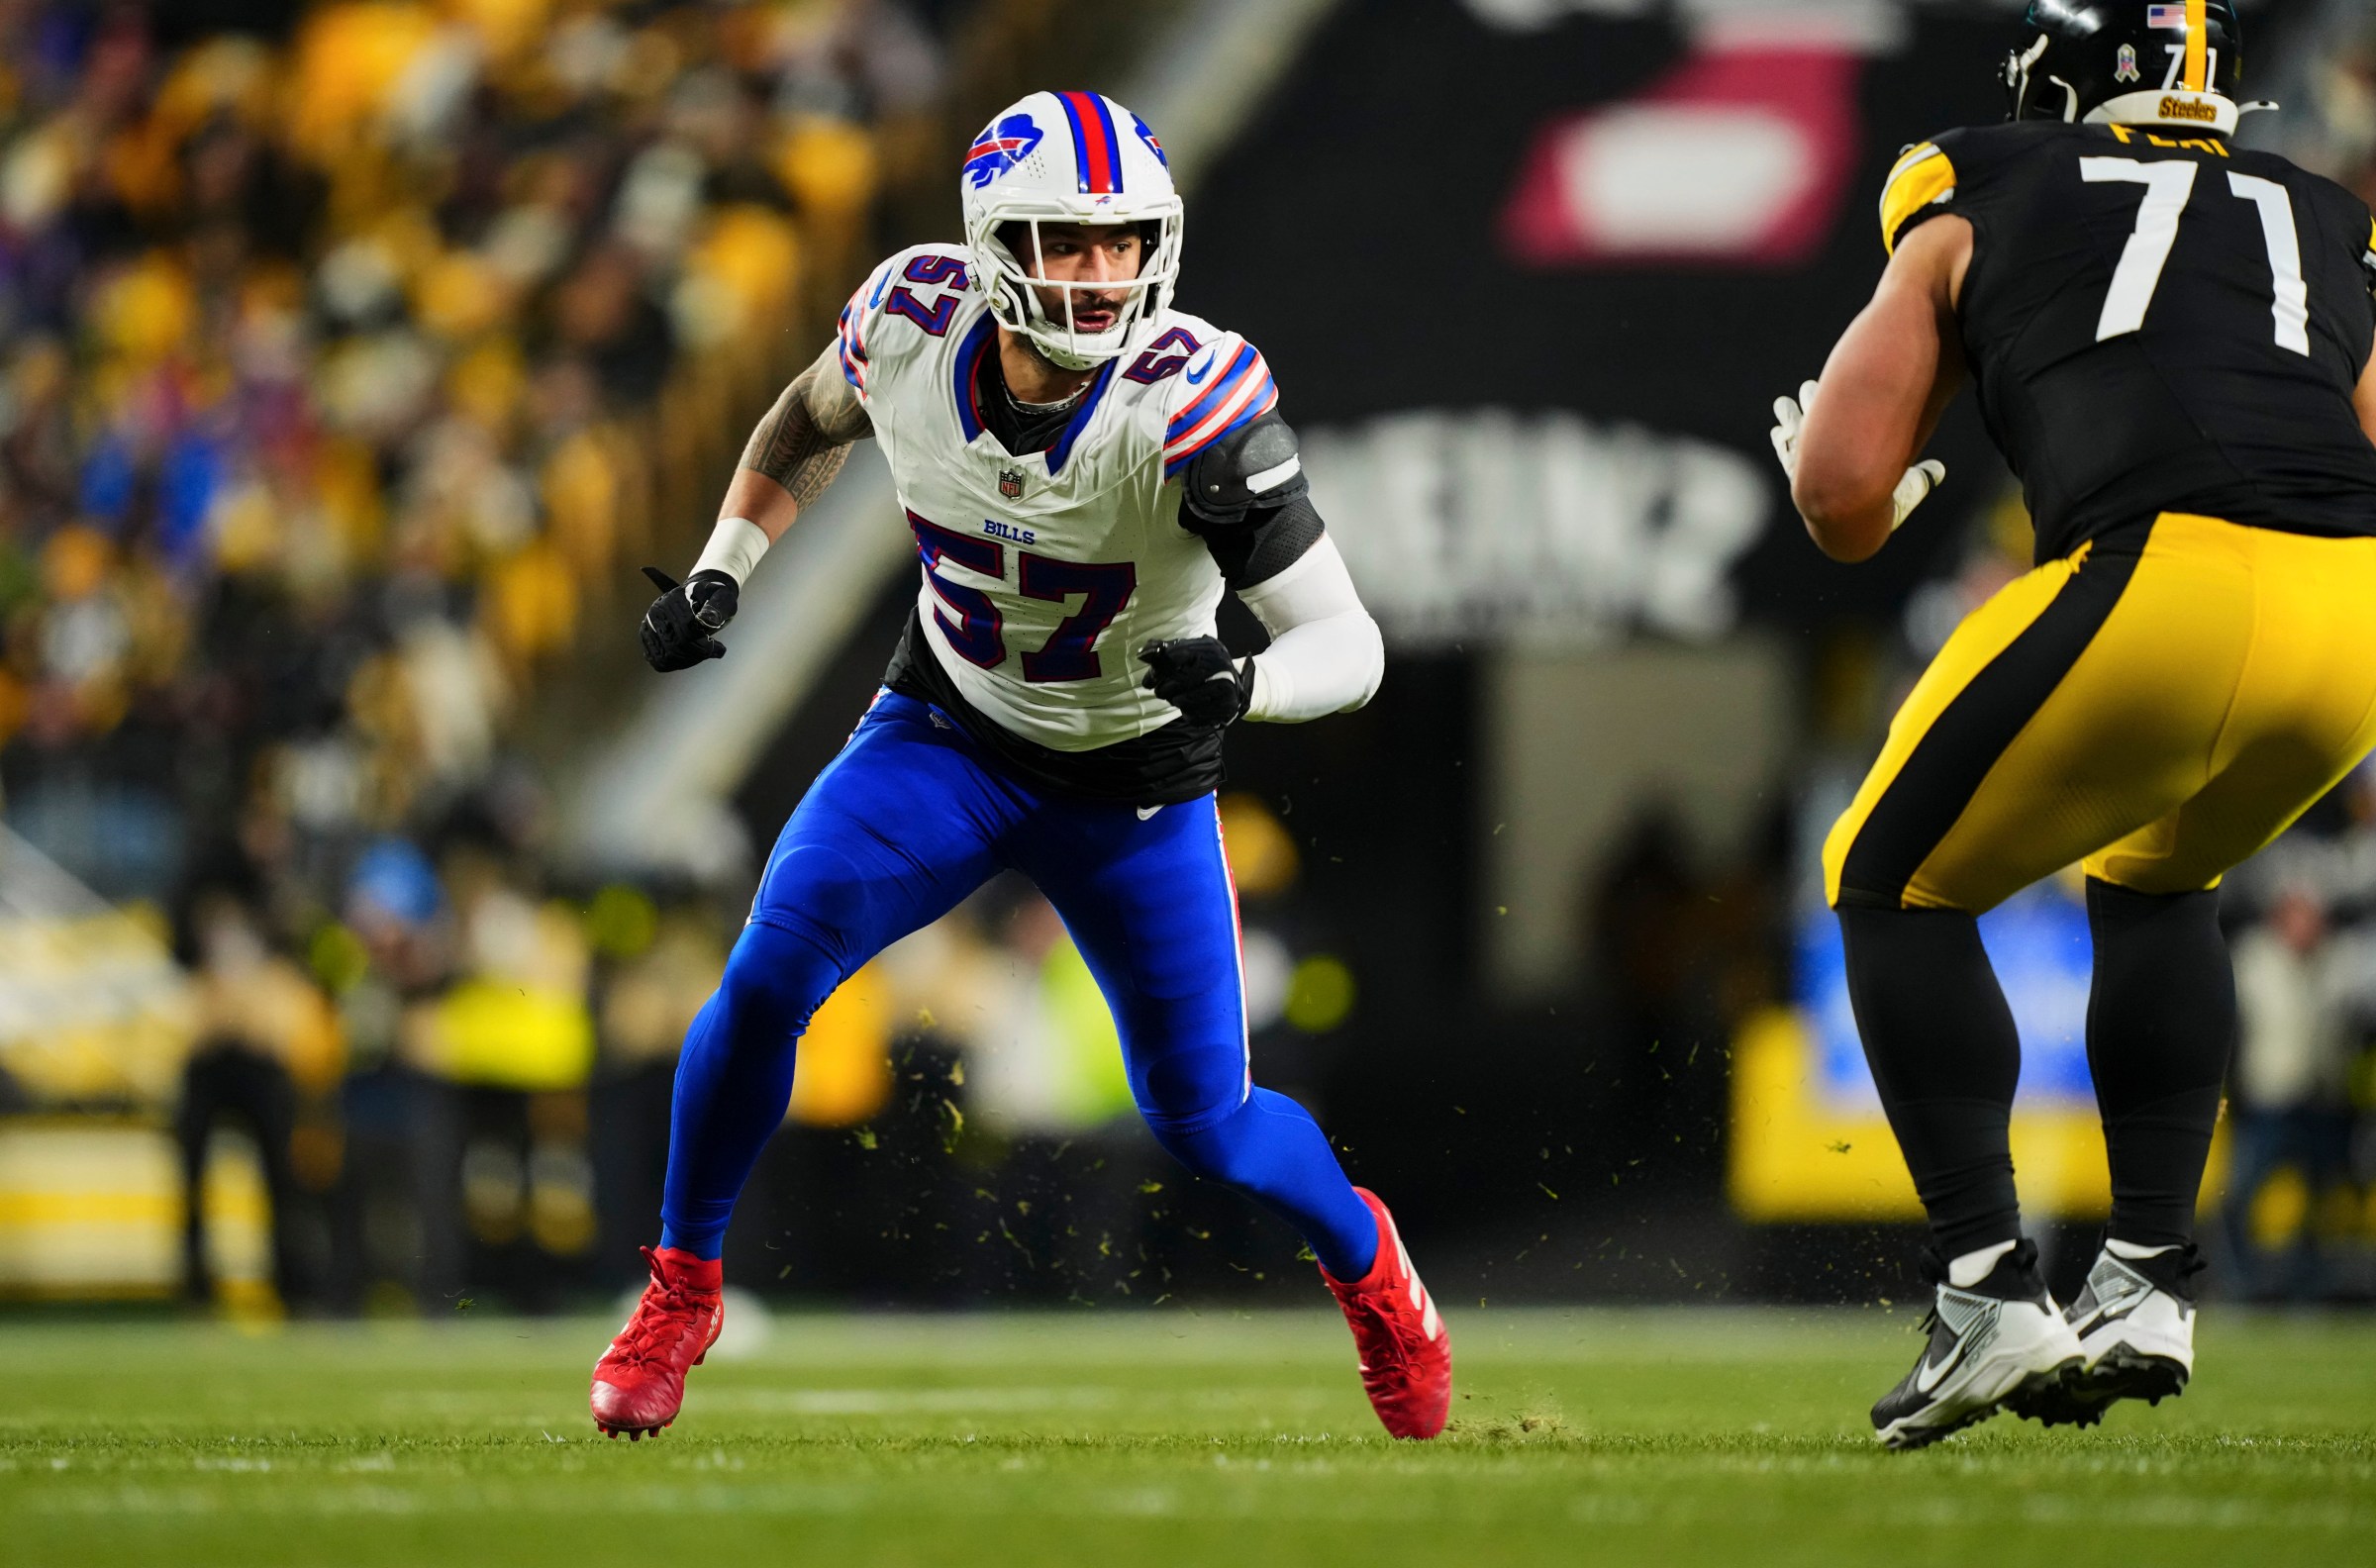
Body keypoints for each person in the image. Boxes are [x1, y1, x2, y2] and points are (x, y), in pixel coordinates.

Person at [589, 91, 1448, 1441]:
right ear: (995, 242)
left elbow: (1350, 641)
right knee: (762, 981)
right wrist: (721, 569)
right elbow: (800, 425)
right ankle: (681, 1287)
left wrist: (1250, 686)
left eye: (1125, 243)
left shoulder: (1191, 397)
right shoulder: (910, 324)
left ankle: (1375, 1272)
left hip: (1136, 779)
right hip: (948, 733)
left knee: (1205, 1121)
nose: (1102, 275)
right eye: (1068, 240)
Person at [1768, 0, 2376, 1448]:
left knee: (1885, 875)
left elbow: (1842, 501)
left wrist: (1857, 477)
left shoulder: (1974, 176)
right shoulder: (2323, 211)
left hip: (2164, 578)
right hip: (2353, 619)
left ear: (2085, 67)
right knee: (2160, 876)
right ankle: (2153, 1276)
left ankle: (1984, 1286)